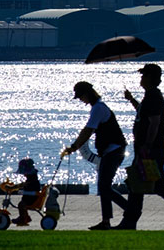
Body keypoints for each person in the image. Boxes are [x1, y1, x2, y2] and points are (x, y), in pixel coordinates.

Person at [114, 63, 164, 230]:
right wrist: (131, 100)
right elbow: (143, 113)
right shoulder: (149, 96)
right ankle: (129, 222)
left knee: (153, 185)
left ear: (151, 78)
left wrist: (147, 146)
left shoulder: (154, 96)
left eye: (144, 75)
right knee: (137, 185)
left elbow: (154, 123)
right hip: (146, 148)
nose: (141, 78)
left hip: (150, 149)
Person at [61, 81, 128, 230]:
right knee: (104, 186)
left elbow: (88, 130)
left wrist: (74, 147)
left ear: (87, 94)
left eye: (80, 97)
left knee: (104, 186)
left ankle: (127, 211)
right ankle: (109, 220)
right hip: (110, 151)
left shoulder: (98, 108)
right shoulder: (97, 107)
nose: (80, 100)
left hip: (114, 151)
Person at [9, 158, 41, 226]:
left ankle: (22, 218)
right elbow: (25, 184)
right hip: (31, 196)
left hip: (32, 198)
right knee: (22, 204)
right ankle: (25, 217)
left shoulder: (32, 179)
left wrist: (14, 187)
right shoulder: (32, 177)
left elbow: (24, 184)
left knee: (21, 205)